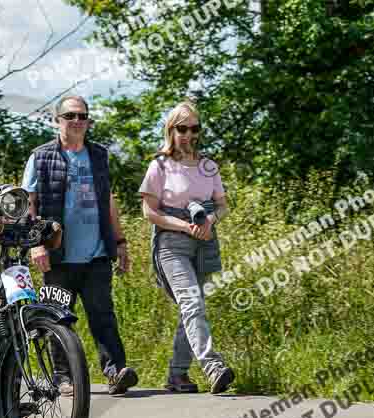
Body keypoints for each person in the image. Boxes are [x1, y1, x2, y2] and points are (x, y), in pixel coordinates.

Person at [21, 95, 138, 396]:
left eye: (82, 116)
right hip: (58, 256)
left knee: (103, 314)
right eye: (70, 116)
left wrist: (121, 242)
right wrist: (36, 244)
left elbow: (108, 200)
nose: (77, 121)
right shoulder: (41, 156)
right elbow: (27, 203)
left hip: (96, 254)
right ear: (57, 120)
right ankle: (62, 377)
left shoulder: (99, 155)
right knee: (56, 316)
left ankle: (115, 373)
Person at [138, 100, 235, 394]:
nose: (189, 134)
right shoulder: (160, 166)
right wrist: (183, 225)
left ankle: (177, 375)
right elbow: (149, 212)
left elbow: (223, 206)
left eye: (194, 128)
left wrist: (209, 222)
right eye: (182, 128)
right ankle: (213, 366)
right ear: (171, 130)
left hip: (204, 244)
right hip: (172, 244)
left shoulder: (208, 166)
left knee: (191, 307)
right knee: (192, 302)